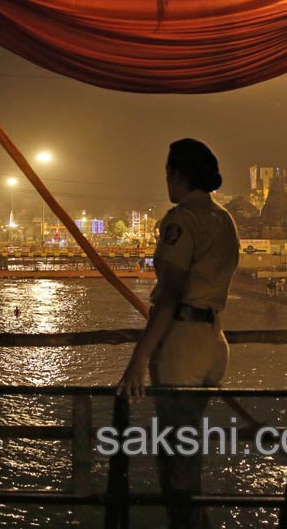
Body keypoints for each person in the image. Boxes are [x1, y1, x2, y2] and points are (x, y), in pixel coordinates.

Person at [117, 138, 239, 529]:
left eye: (168, 173)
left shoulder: (181, 220)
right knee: (190, 449)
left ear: (178, 176)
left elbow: (169, 296)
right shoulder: (223, 218)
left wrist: (137, 360)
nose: (167, 180)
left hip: (183, 343)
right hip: (213, 341)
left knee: (175, 456)